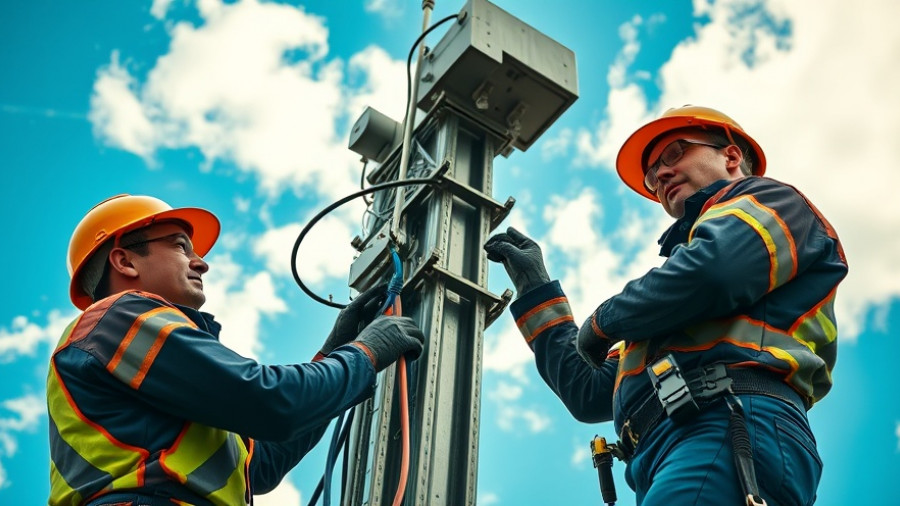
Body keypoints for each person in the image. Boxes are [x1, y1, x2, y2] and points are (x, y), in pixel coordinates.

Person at [484, 106, 847, 505]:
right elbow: (587, 390)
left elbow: (714, 271)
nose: (661, 175)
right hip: (674, 446)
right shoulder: (666, 309)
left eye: (674, 153)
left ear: (731, 156)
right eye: (652, 174)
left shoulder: (772, 200)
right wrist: (537, 293)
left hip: (731, 421)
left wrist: (604, 320)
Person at [48, 194, 425, 506]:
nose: (201, 263)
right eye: (180, 246)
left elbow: (263, 464)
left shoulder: (163, 375)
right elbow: (273, 403)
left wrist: (334, 352)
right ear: (125, 260)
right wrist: (364, 354)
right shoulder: (116, 318)